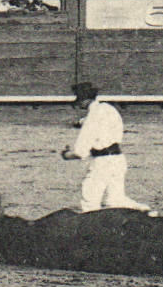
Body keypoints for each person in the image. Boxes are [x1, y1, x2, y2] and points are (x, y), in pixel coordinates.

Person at [62, 82, 154, 215]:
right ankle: (144, 212)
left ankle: (92, 233)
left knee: (90, 202)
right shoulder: (107, 108)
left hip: (102, 163)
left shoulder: (92, 118)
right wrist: (81, 122)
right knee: (116, 200)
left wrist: (66, 155)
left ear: (84, 100)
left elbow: (80, 151)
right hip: (118, 159)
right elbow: (99, 121)